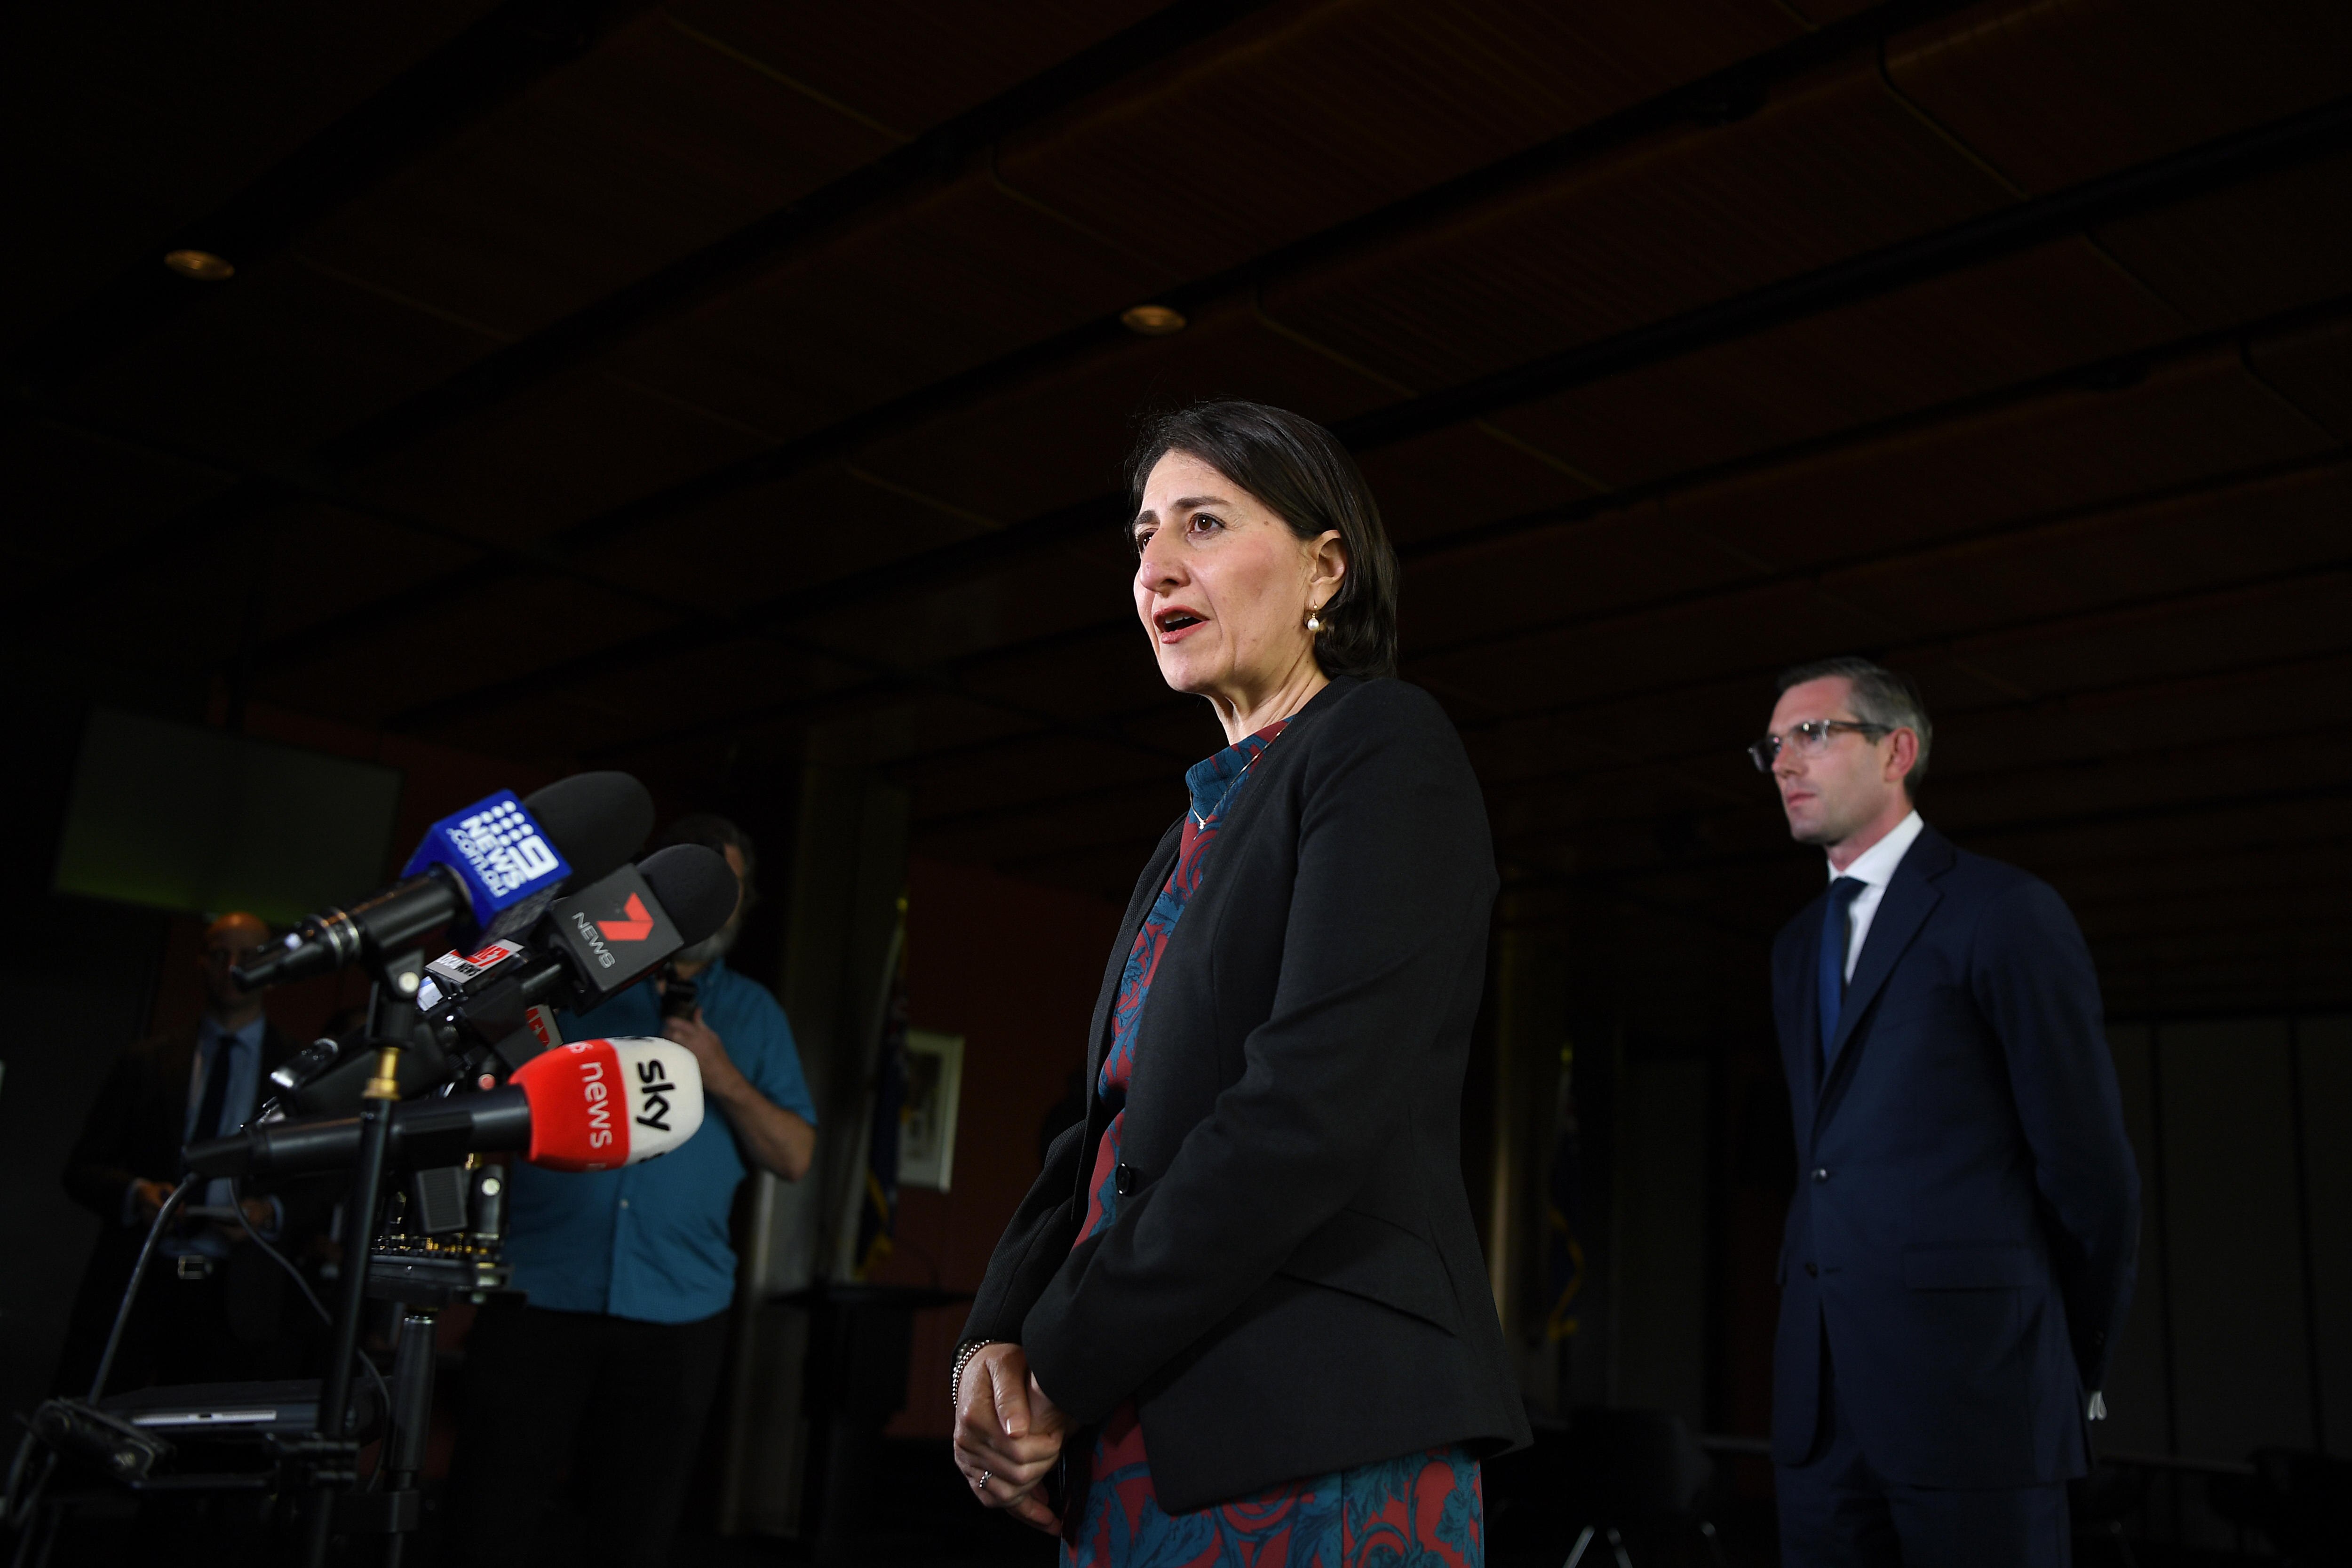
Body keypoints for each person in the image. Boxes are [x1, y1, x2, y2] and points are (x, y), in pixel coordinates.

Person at [953, 401, 1528, 1566]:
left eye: (1203, 524)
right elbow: (1094, 1133)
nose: (1156, 567)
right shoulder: (1193, 828)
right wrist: (993, 1353)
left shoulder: (1380, 743)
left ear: (1328, 567)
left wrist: (1060, 1359)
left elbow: (1308, 1107)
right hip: (1130, 1402)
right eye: (1142, 537)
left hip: (1308, 1417)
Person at [1755, 656, 2139, 1567]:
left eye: (1811, 733)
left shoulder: (2003, 911)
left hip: (1978, 1396)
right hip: (1820, 1411)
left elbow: (2089, 1170)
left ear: (1899, 750)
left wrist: (2061, 1359)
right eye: (1770, 743)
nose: (1781, 761)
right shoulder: (1792, 945)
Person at [444, 813, 817, 1568]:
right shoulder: (569, 986)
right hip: (539, 1292)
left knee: (635, 1532)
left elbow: (797, 1155)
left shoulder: (754, 1014)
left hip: (679, 1312)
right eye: (695, 891)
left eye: (729, 894)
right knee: (489, 1517)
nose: (712, 911)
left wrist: (725, 1079)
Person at [56, 912, 330, 1394]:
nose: (232, 969)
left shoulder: (298, 1071)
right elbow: (83, 1168)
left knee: (209, 1447)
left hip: (238, 1296)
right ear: (201, 962)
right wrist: (138, 1193)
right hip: (137, 1280)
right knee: (94, 1423)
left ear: (272, 966)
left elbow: (325, 1180)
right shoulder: (148, 1061)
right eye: (220, 955)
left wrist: (267, 1212)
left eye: (247, 957)